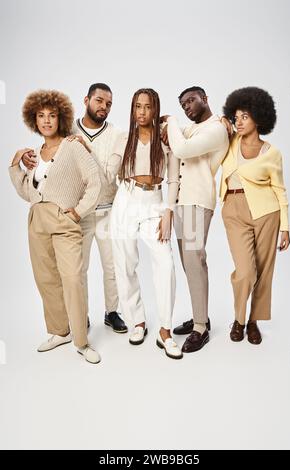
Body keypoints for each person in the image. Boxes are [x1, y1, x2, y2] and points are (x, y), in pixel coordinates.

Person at [22, 83, 127, 334]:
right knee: (77, 270)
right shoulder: (68, 129)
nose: (104, 107)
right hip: (76, 213)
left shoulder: (117, 135)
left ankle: (112, 311)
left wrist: (84, 148)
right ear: (86, 100)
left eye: (109, 103)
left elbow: (108, 175)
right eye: (99, 100)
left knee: (111, 266)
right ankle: (82, 315)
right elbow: (52, 165)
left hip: (107, 210)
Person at [9, 89, 102, 364]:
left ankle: (82, 341)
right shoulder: (34, 155)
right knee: (46, 280)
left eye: (51, 115)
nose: (46, 121)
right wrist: (16, 164)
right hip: (37, 220)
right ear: (33, 120)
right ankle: (59, 331)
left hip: (64, 221)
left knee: (72, 279)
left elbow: (94, 181)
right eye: (41, 116)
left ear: (60, 118)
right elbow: (28, 192)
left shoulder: (73, 145)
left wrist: (78, 212)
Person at [110, 88, 182, 359]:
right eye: (137, 106)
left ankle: (165, 331)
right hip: (126, 199)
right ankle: (137, 321)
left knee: (165, 262)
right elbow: (111, 168)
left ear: (155, 109)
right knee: (125, 263)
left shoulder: (165, 138)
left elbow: (174, 178)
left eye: (147, 107)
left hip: (155, 202)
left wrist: (169, 212)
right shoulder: (123, 138)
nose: (141, 112)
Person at [161, 86, 229, 353]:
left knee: (194, 261)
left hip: (197, 201)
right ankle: (201, 315)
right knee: (189, 264)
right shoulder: (190, 129)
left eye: (191, 100)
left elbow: (184, 149)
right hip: (180, 203)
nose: (187, 107)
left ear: (205, 99)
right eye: (182, 105)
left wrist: (171, 122)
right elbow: (173, 152)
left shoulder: (217, 128)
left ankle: (201, 327)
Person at [220, 86, 290, 344]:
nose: (238, 121)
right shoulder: (229, 141)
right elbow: (216, 131)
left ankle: (253, 322)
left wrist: (286, 227)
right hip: (234, 209)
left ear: (259, 118)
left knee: (263, 271)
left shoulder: (272, 153)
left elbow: (280, 191)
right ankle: (238, 319)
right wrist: (220, 123)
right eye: (235, 117)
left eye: (244, 117)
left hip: (266, 213)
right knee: (246, 271)